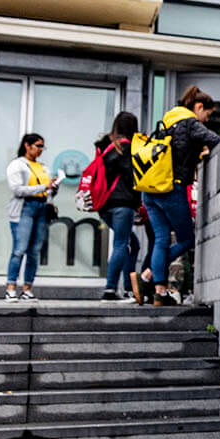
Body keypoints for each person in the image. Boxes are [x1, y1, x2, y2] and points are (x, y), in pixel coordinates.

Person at [142, 87, 220, 306]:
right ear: (198, 107)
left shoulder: (167, 121)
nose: (206, 120)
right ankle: (148, 274)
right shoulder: (190, 122)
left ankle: (159, 291)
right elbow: (216, 140)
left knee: (161, 239)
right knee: (186, 239)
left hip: (150, 191)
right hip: (171, 190)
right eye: (207, 114)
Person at [5, 133, 57, 301]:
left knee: (34, 251)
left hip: (41, 207)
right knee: (19, 249)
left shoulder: (44, 167)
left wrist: (53, 188)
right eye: (38, 146)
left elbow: (48, 191)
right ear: (27, 146)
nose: (41, 150)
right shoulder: (17, 165)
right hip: (24, 208)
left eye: (43, 146)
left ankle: (27, 288)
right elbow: (17, 189)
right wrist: (43, 187)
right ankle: (11, 287)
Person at [96, 112, 141, 301]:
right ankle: (110, 288)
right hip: (122, 203)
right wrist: (138, 202)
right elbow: (133, 178)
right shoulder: (126, 148)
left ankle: (129, 288)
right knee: (121, 244)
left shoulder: (105, 146)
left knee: (133, 244)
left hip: (104, 205)